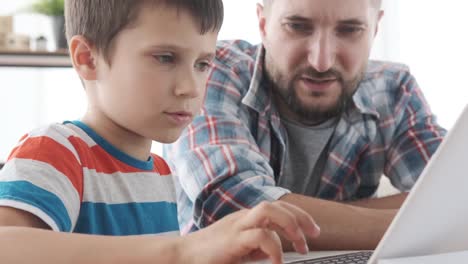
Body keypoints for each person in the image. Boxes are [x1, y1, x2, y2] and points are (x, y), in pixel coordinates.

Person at [0, 1, 321, 263]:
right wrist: (184, 251)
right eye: (165, 58)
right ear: (88, 59)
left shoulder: (162, 172)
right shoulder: (56, 152)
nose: (191, 88)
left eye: (202, 64)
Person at [164, 0, 447, 250]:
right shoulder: (212, 71)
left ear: (374, 29)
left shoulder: (394, 90)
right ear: (263, 24)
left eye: (349, 30)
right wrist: (414, 223)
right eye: (297, 26)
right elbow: (238, 213)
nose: (321, 61)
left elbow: (455, 195)